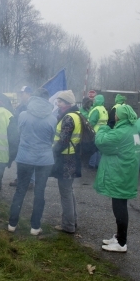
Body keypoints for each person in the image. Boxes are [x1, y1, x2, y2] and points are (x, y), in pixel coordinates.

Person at [8, 88, 56, 235]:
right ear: (48, 100)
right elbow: (51, 138)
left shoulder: (23, 115)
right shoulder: (53, 118)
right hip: (44, 159)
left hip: (24, 157)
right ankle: (35, 227)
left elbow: (19, 132)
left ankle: (12, 224)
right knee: (39, 192)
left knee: (20, 190)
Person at [94, 105, 140, 253]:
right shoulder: (132, 128)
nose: (113, 116)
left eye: (116, 114)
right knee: (120, 205)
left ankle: (121, 243)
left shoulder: (121, 132)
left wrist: (104, 128)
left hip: (120, 173)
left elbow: (101, 142)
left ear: (120, 117)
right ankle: (119, 236)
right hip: (126, 172)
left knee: (119, 207)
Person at [51, 90, 81, 234]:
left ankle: (68, 225)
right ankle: (72, 220)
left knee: (65, 193)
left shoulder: (68, 117)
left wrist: (52, 152)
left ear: (68, 103)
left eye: (61, 101)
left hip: (66, 159)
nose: (58, 103)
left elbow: (63, 141)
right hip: (72, 157)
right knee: (69, 191)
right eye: (58, 101)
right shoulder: (76, 115)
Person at [10, 85, 35, 188]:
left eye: (22, 93)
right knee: (21, 158)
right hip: (20, 136)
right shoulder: (22, 105)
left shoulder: (32, 105)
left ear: (29, 93)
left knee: (29, 158)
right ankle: (20, 178)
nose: (21, 95)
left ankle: (30, 181)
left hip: (29, 136)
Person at [88, 94, 108, 169]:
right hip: (102, 132)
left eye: (94, 100)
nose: (93, 101)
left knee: (93, 149)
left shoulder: (96, 109)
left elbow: (91, 122)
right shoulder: (103, 109)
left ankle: (92, 164)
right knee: (99, 149)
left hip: (95, 132)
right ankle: (98, 164)